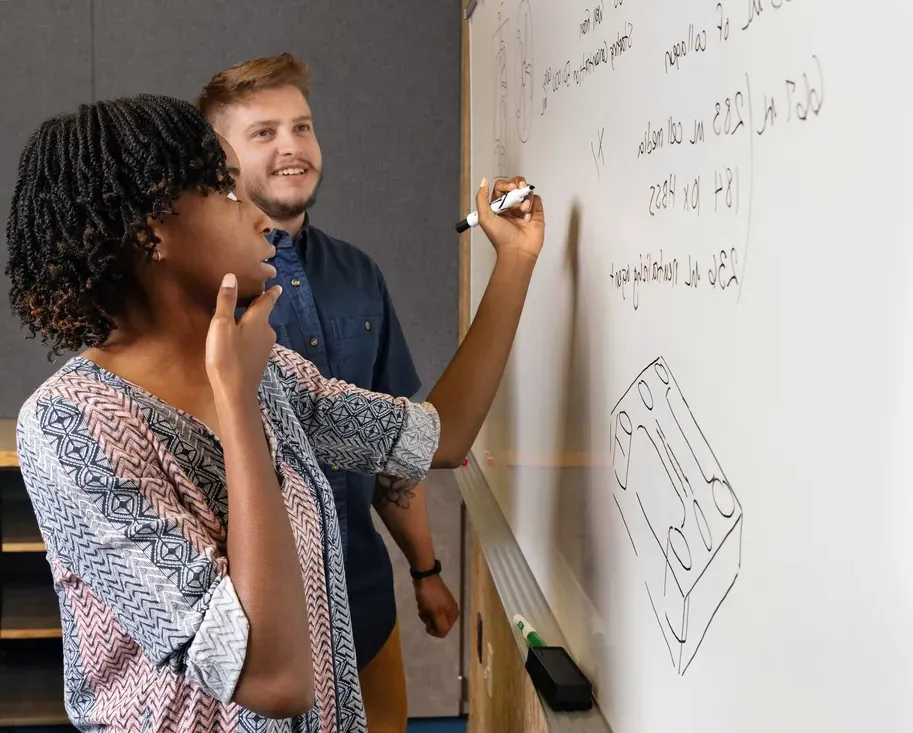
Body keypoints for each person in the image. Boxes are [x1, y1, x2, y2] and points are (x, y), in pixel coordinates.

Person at [5, 93, 541, 732]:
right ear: (152, 231)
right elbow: (272, 679)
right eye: (228, 193)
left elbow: (440, 439)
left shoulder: (267, 373)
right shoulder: (70, 425)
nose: (260, 217)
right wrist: (235, 406)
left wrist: (517, 259)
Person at [194, 54, 455, 730]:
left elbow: (398, 443)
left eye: (302, 127)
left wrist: (423, 569)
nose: (291, 148)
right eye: (263, 133)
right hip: (257, 636)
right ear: (217, 160)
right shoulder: (203, 292)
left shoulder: (359, 274)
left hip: (366, 606)